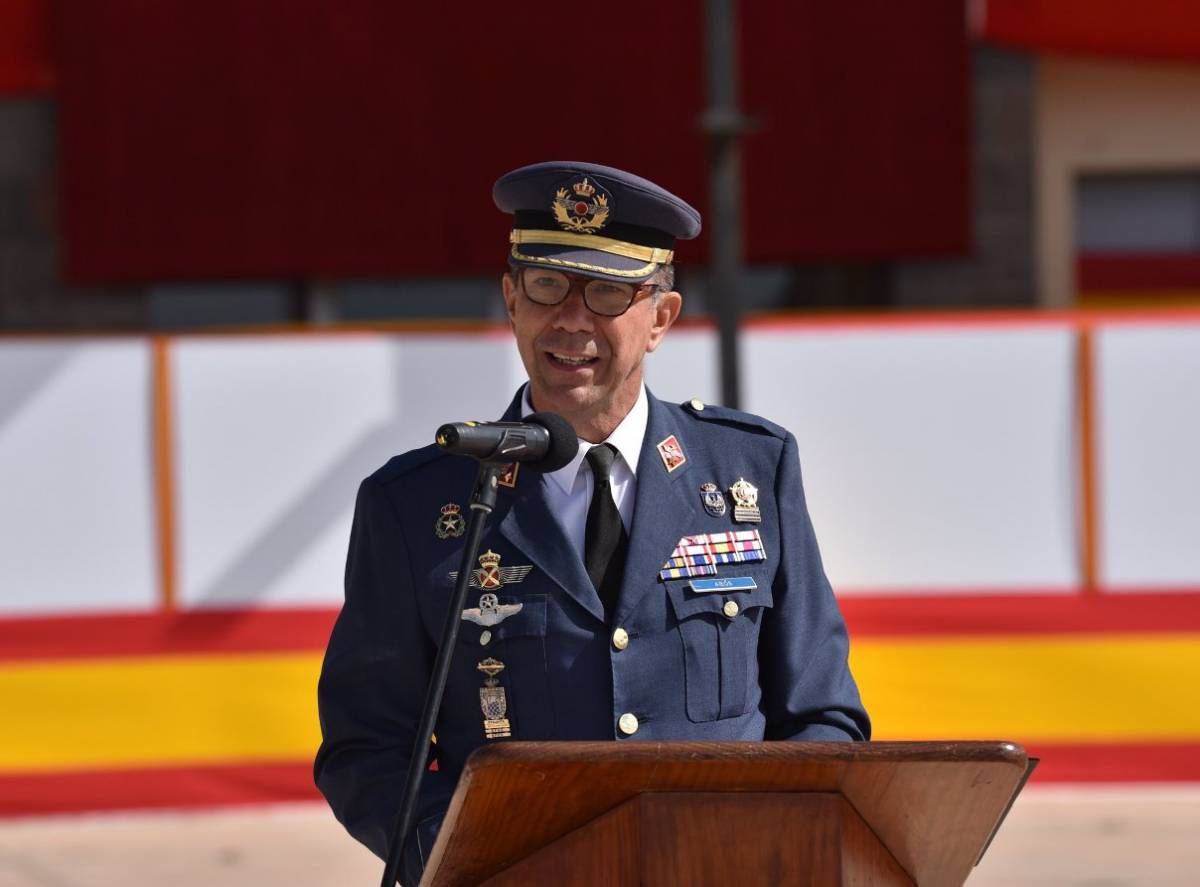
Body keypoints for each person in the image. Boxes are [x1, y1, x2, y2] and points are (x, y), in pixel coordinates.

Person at [314, 161, 870, 884]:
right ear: (511, 299)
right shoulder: (421, 503)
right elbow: (368, 746)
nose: (570, 319)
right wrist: (472, 858)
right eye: (546, 285)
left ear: (661, 318)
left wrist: (768, 848)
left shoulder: (749, 472)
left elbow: (822, 714)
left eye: (607, 292)